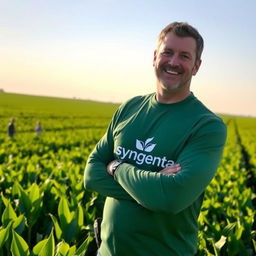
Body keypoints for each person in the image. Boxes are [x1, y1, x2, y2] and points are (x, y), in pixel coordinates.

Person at [84, 22, 227, 256]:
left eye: (184, 56)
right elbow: (91, 176)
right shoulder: (130, 107)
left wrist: (117, 167)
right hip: (107, 251)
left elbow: (171, 198)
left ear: (196, 66)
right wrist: (151, 189)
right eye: (167, 52)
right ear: (154, 57)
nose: (173, 62)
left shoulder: (207, 125)